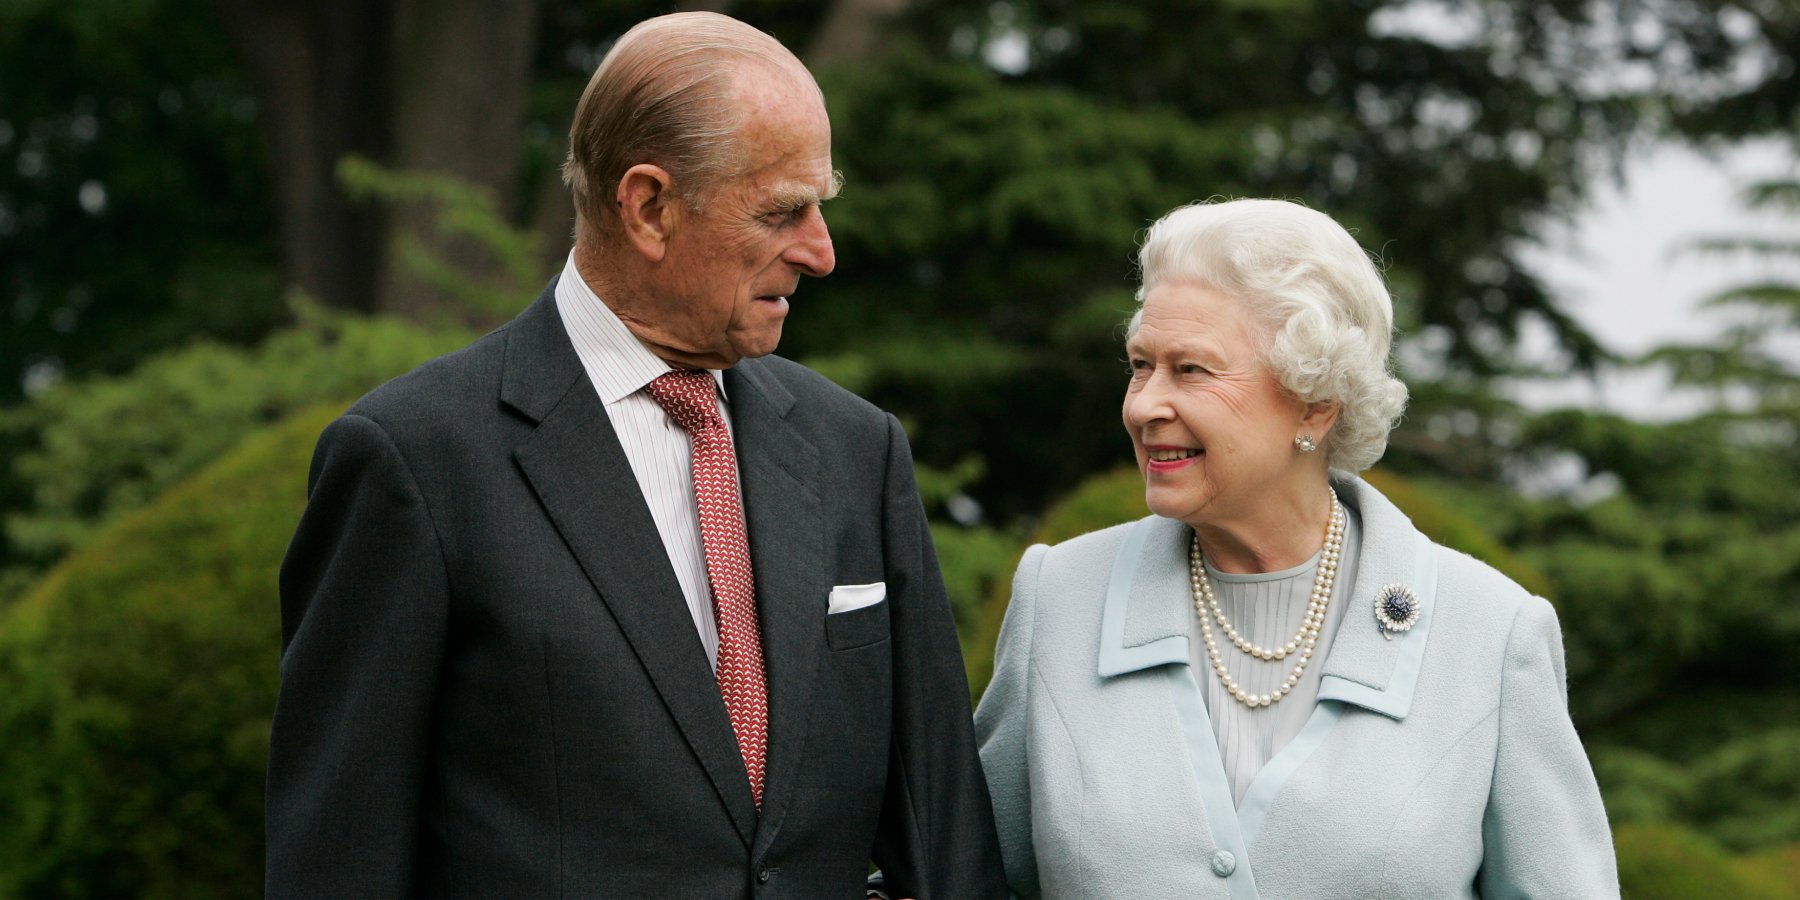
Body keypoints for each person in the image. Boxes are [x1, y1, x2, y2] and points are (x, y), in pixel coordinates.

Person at [265, 13, 1006, 898]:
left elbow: (948, 843)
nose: (821, 251)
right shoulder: (413, 462)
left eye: (821, 207)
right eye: (782, 210)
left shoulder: (858, 450)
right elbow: (337, 864)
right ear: (649, 206)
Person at [975, 198, 1619, 897]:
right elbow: (962, 875)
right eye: (1140, 365)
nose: (1143, 405)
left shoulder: (1490, 633)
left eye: (1191, 370)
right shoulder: (1060, 597)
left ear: (1315, 403)